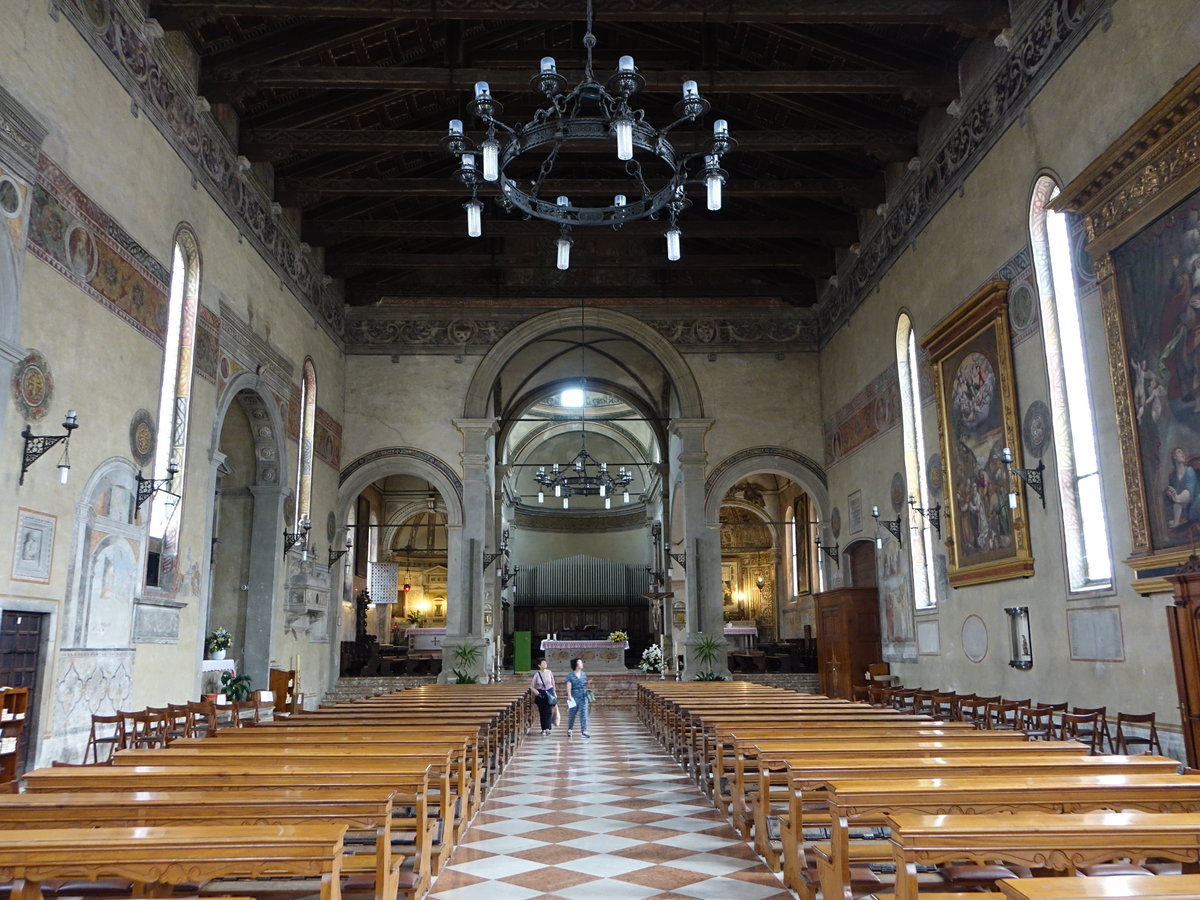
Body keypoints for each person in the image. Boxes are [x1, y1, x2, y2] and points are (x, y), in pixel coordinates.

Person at [565, 657, 590, 739]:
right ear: (576, 664)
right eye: (580, 662)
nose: (582, 664)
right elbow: (569, 685)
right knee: (572, 714)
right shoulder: (570, 675)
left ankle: (584, 731)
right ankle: (570, 729)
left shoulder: (583, 674)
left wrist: (588, 683)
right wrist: (569, 695)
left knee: (584, 713)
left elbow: (585, 683)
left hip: (583, 695)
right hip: (574, 695)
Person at [530, 657, 556, 735]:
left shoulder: (549, 672)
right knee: (542, 711)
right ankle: (543, 728)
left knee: (549, 711)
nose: (545, 664)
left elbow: (553, 683)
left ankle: (548, 728)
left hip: (549, 692)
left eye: (545, 663)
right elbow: (532, 686)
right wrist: (536, 692)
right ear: (539, 665)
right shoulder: (537, 674)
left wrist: (554, 693)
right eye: (543, 663)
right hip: (541, 694)